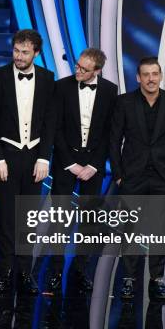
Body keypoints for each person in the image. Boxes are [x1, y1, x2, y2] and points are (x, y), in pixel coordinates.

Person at [109, 56, 165, 300]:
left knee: (159, 230)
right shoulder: (124, 102)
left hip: (163, 177)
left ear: (161, 75)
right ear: (138, 77)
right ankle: (130, 279)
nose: (151, 79)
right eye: (146, 74)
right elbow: (114, 140)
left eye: (155, 74)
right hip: (132, 177)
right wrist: (119, 175)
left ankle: (157, 279)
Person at [0, 29, 56, 295]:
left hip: (34, 156)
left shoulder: (48, 79)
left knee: (28, 217)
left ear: (36, 53)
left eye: (25, 52)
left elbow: (50, 122)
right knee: (6, 217)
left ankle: (25, 272)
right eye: (16, 50)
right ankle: (5, 271)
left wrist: (44, 158)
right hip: (7, 154)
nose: (19, 56)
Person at [48, 48, 118, 293]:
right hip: (66, 161)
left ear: (97, 71)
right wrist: (70, 163)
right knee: (60, 220)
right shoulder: (61, 87)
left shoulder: (110, 90)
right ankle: (55, 271)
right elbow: (54, 128)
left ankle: (79, 270)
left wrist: (95, 165)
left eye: (83, 69)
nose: (77, 70)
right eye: (77, 66)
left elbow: (111, 131)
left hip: (93, 165)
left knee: (89, 221)